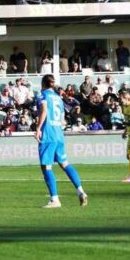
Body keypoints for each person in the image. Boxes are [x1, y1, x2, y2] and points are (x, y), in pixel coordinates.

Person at [35, 74, 88, 208]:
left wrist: (38, 128)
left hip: (48, 134)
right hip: (59, 134)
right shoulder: (58, 98)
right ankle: (80, 191)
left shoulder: (42, 95)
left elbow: (44, 111)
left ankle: (55, 200)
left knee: (46, 166)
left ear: (43, 83)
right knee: (65, 164)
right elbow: (63, 118)